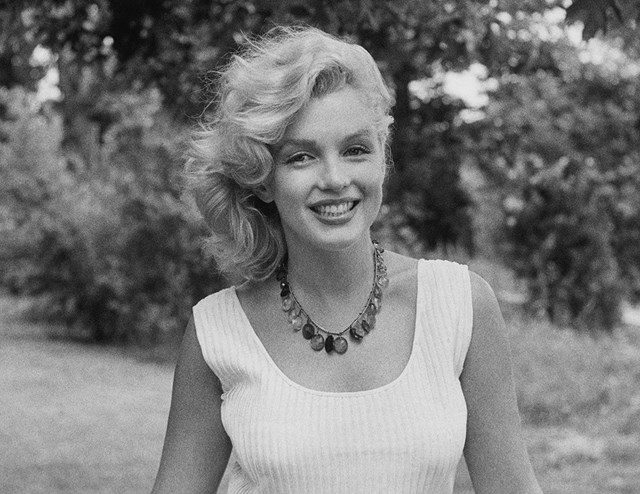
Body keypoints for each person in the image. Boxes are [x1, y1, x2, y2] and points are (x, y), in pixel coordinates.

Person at [152, 26, 542, 494]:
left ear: (381, 160)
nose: (335, 179)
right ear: (263, 180)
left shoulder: (461, 305)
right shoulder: (217, 332)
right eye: (301, 157)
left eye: (356, 150)